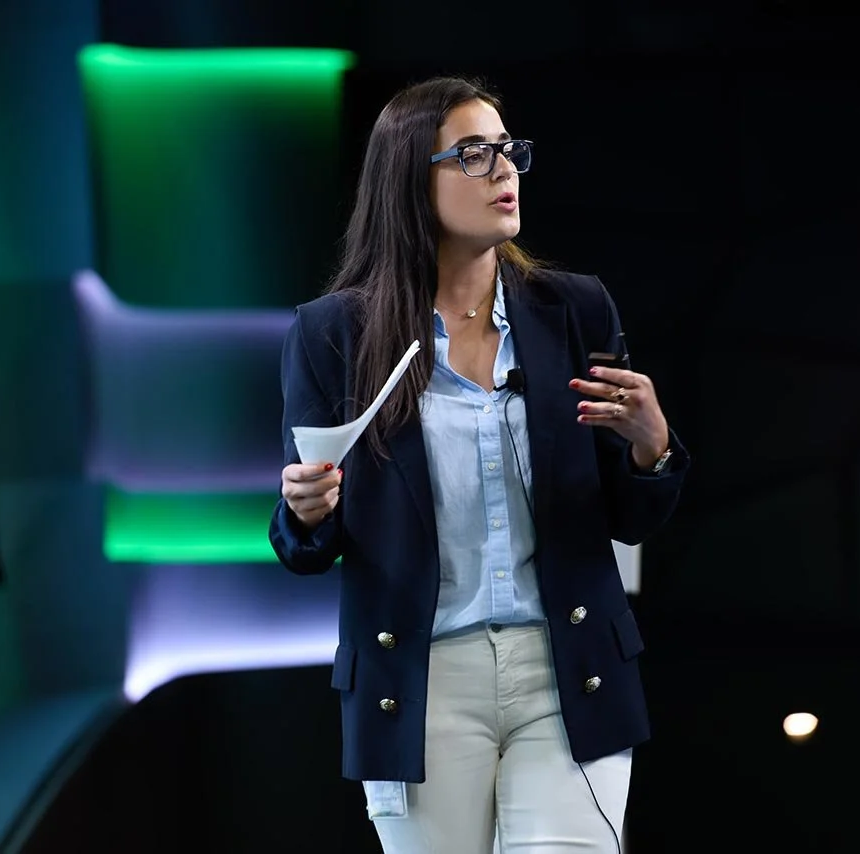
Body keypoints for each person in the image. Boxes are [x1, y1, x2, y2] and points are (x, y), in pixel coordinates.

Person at [268, 74, 689, 854]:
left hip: (566, 672)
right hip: (418, 682)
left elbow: (631, 516)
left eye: (507, 150)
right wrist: (303, 512)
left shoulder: (575, 310)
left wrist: (650, 446)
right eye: (472, 154)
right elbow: (304, 545)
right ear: (408, 181)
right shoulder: (333, 335)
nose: (503, 170)